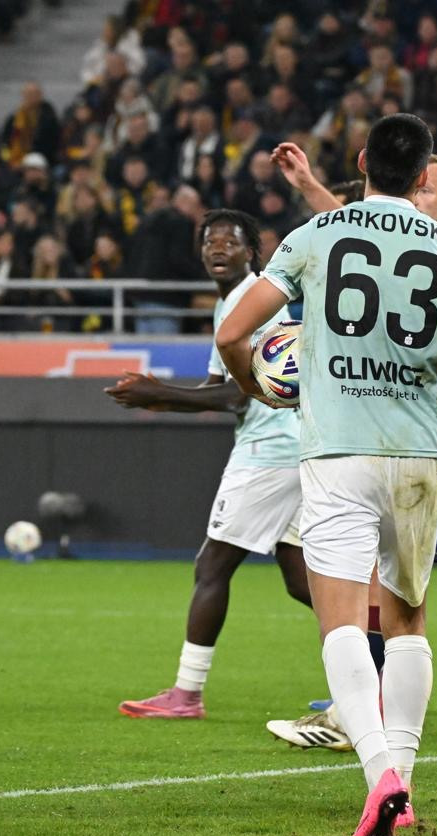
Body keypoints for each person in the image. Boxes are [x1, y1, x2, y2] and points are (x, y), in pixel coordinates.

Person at [215, 114, 437, 836]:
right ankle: (405, 782)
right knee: (410, 619)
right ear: (423, 177)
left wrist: (256, 384)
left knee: (344, 623)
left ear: (361, 162)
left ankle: (380, 773)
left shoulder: (314, 236)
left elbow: (234, 333)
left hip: (338, 455)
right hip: (417, 458)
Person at [112, 209, 311, 719]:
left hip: (270, 452)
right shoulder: (233, 303)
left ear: (252, 251)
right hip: (295, 449)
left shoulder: (252, 302)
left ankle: (187, 694)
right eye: (210, 241)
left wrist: (159, 391)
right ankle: (379, 652)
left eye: (230, 240)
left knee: (212, 566)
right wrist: (160, 399)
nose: (218, 248)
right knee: (301, 580)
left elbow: (242, 395)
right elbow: (214, 388)